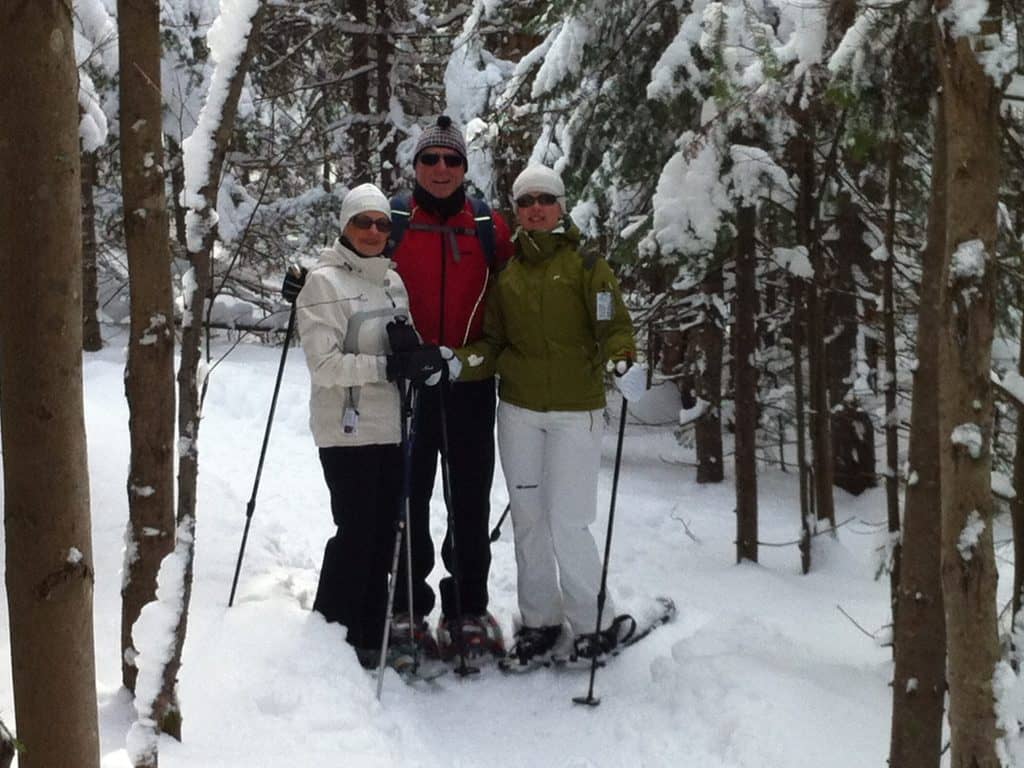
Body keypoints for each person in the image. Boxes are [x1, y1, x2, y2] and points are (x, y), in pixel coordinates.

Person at [453, 164, 636, 666]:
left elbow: (611, 323)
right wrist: (457, 360)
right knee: (529, 520)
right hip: (518, 412)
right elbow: (492, 343)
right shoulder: (507, 275)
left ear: (560, 206)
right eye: (526, 200)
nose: (536, 208)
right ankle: (539, 622)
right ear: (516, 211)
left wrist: (622, 355)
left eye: (545, 199)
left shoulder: (586, 265)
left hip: (576, 412)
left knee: (569, 520)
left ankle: (593, 621)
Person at [289, 183, 444, 671]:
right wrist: (386, 370)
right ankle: (334, 629)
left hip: (392, 425)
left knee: (385, 531)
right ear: (345, 226)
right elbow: (325, 367)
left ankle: (373, 629)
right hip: (346, 428)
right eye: (363, 222)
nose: (374, 232)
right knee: (356, 531)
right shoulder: (323, 282)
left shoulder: (392, 281)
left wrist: (420, 359)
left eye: (382, 223)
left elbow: (404, 339)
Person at [388, 115, 514, 660]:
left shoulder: (488, 225)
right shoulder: (393, 219)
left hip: (467, 382)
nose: (441, 169)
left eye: (452, 160)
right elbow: (348, 263)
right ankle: (406, 607)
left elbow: (528, 280)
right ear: (415, 166)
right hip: (409, 384)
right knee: (408, 496)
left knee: (468, 499)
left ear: (465, 168)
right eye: (430, 159)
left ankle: (466, 608)